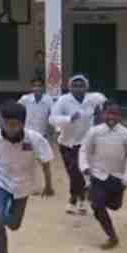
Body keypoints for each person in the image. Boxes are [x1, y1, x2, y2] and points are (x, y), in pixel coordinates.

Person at [0, 101, 55, 253]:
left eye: (14, 124)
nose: (9, 128)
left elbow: (46, 162)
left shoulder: (34, 139)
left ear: (23, 123)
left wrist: (49, 185)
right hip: (2, 182)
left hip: (24, 185)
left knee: (14, 225)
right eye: (6, 124)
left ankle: (8, 221)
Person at [79, 103, 127, 250]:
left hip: (117, 177)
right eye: (108, 113)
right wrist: (85, 167)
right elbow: (84, 150)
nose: (111, 117)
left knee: (115, 205)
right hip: (98, 175)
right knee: (97, 205)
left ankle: (98, 196)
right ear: (103, 115)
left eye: (115, 114)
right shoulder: (94, 132)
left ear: (119, 116)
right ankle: (112, 236)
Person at [49, 74, 109, 216]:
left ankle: (75, 200)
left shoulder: (92, 98)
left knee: (78, 170)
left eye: (81, 85)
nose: (78, 87)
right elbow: (52, 119)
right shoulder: (64, 100)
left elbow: (106, 103)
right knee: (73, 173)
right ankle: (78, 198)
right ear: (69, 87)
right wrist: (69, 118)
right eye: (74, 85)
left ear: (86, 87)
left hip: (85, 143)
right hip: (66, 143)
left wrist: (102, 114)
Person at [18, 77, 54, 142]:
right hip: (27, 134)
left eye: (39, 86)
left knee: (41, 152)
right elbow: (16, 110)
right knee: (27, 151)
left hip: (42, 134)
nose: (37, 88)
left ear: (43, 87)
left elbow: (53, 114)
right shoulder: (25, 99)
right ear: (31, 88)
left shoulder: (48, 100)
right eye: (34, 86)